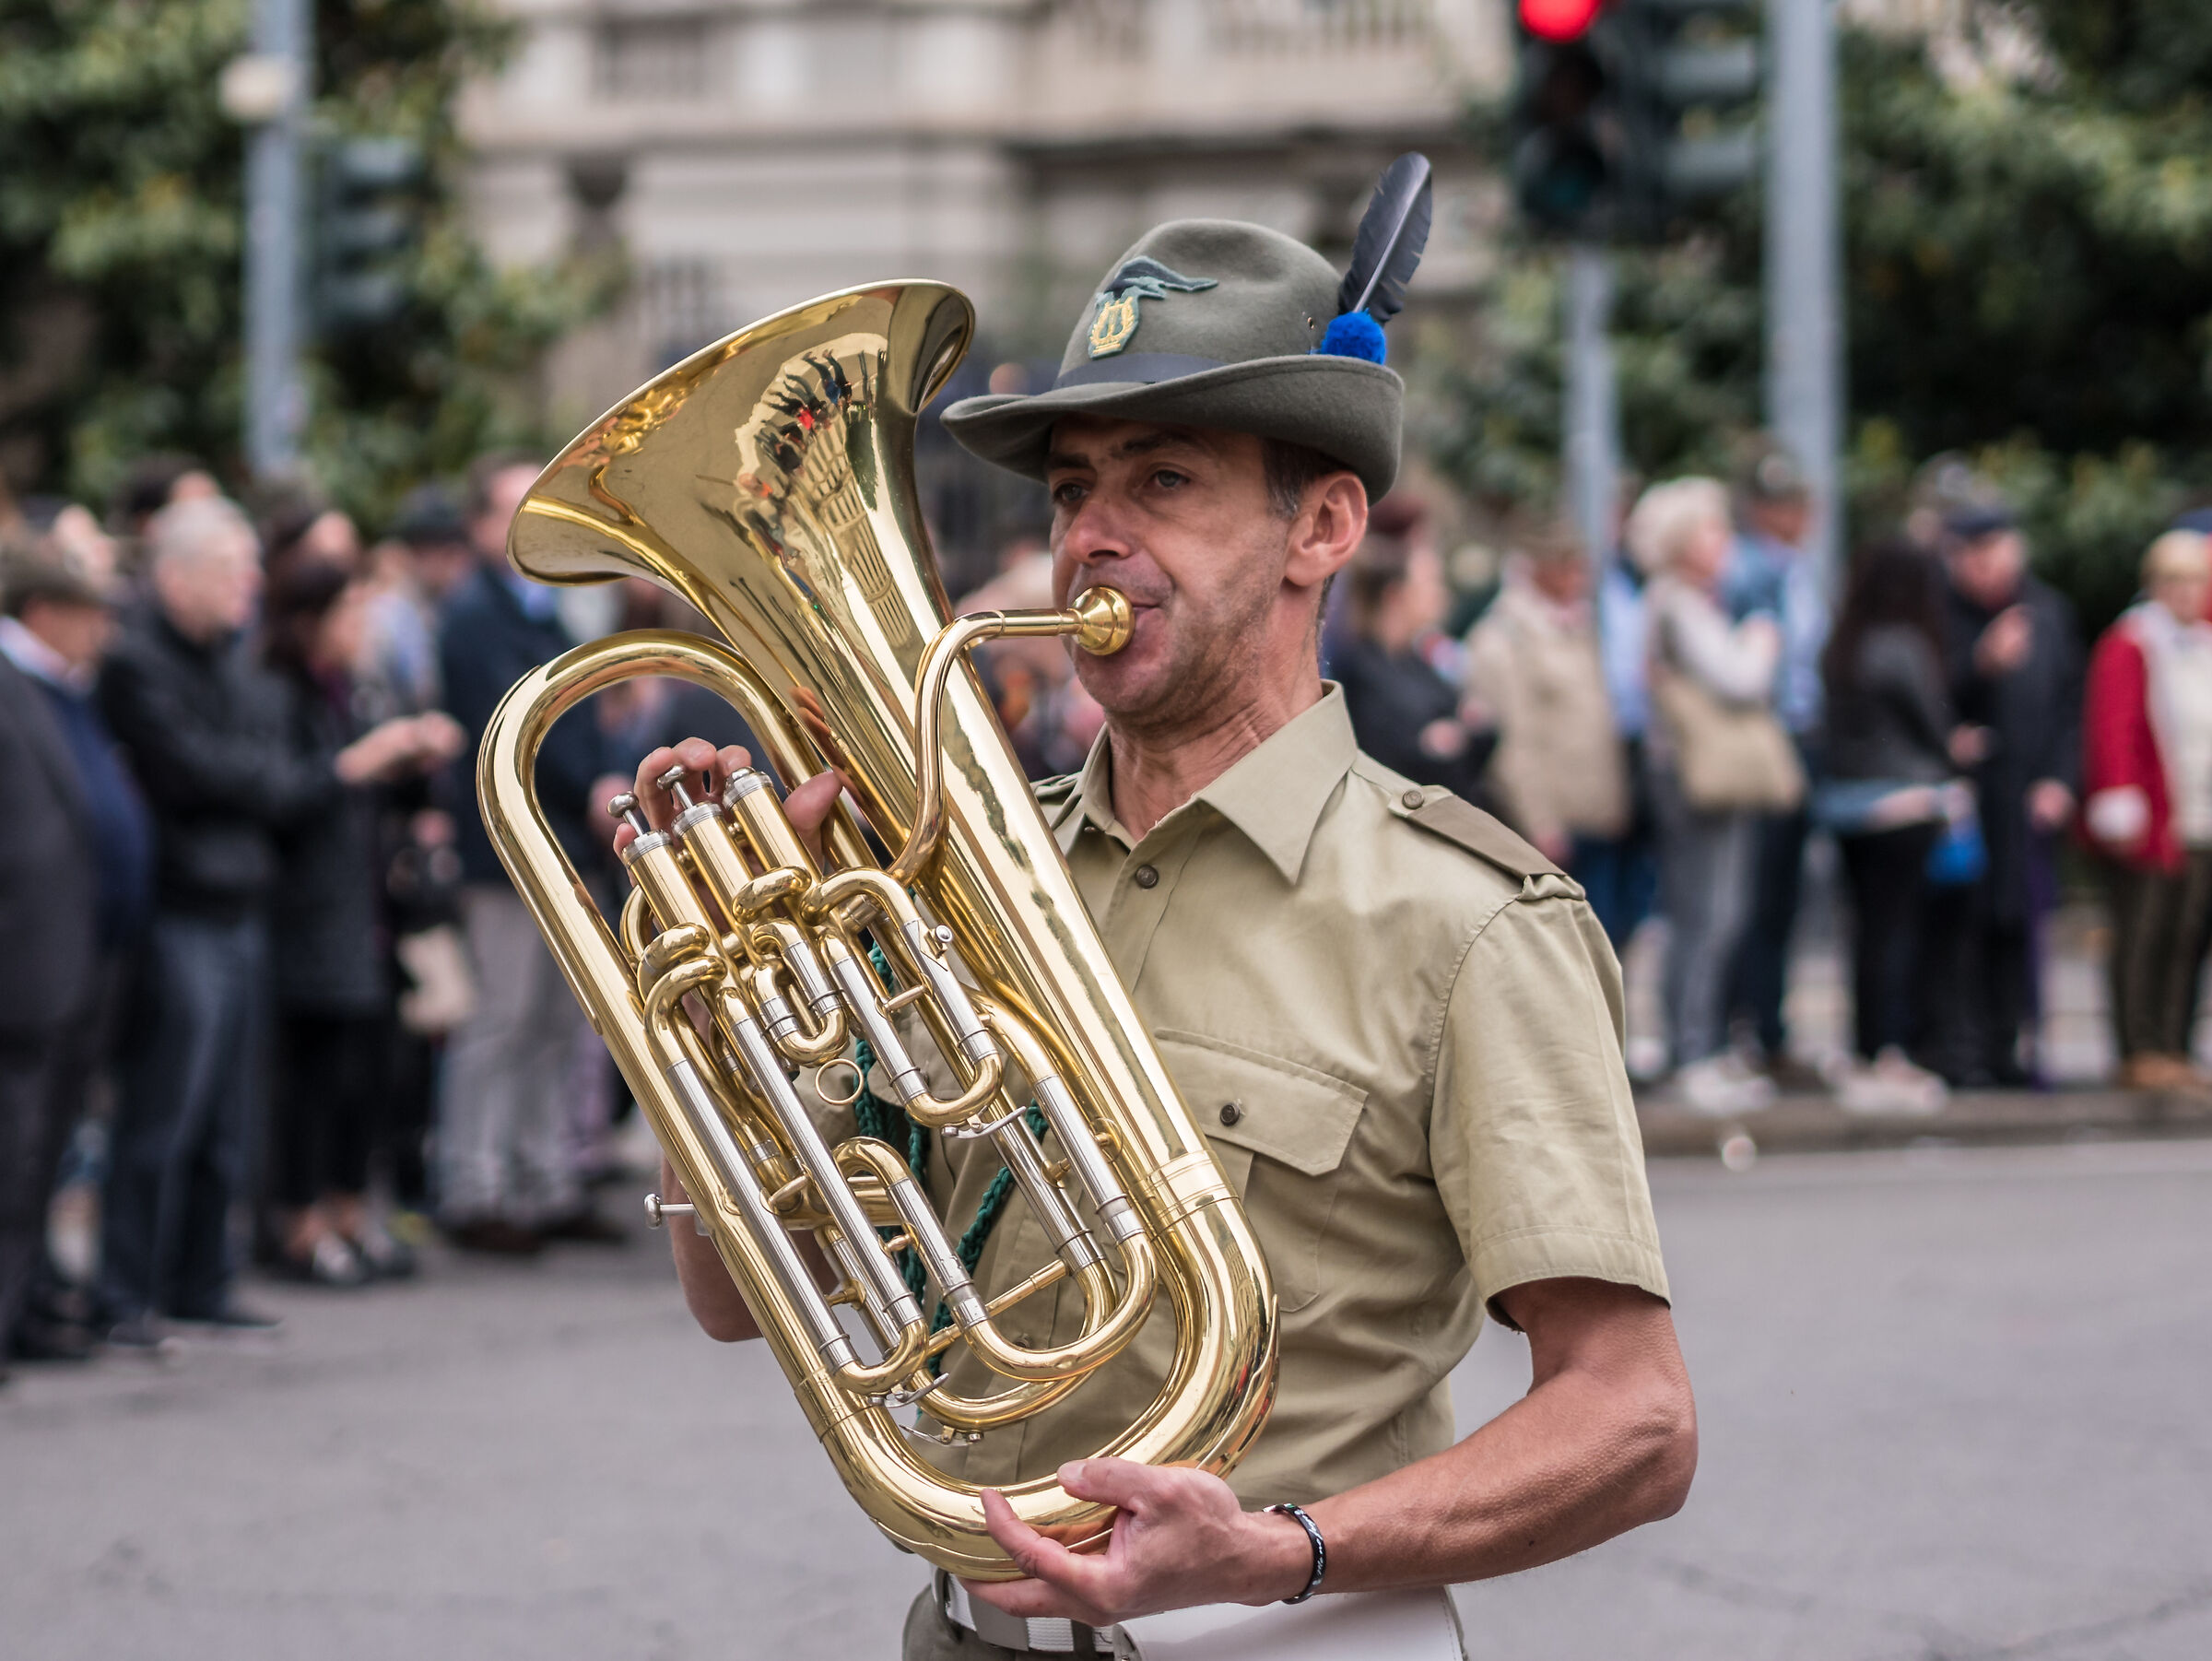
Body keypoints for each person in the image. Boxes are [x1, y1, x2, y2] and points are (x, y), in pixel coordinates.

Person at [633, 216, 1693, 1656]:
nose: (1092, 535)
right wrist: (716, 1021)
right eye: (1074, 489)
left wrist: (1280, 1552)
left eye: (1166, 481)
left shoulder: (1467, 919)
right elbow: (742, 1300)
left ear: (1322, 527)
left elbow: (1632, 1419)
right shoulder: (937, 879)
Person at [96, 498, 437, 1344]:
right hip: (186, 908)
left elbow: (259, 770)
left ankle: (200, 1282)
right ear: (174, 576)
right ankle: (126, 1293)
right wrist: (273, 777)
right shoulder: (138, 661)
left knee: (224, 1117)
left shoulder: (228, 661)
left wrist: (269, 776)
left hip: (242, 905)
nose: (250, 586)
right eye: (232, 572)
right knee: (164, 1112)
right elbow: (217, 774)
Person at [434, 452, 624, 1254]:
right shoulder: (473, 614)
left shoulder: (539, 604)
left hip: (562, 846)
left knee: (556, 1021)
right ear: (480, 527)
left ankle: (548, 1180)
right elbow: (516, 726)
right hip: (511, 853)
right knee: (502, 1022)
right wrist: (590, 780)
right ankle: (475, 1187)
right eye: (510, 510)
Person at [262, 560, 463, 1284]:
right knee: (310, 1085)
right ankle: (299, 1226)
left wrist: (412, 760)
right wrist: (360, 761)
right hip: (309, 915)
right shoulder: (281, 689)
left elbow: (386, 793)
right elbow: (277, 792)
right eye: (348, 614)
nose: (361, 629)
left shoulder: (355, 688)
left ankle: (349, 1214)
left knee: (364, 1079)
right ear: (311, 618)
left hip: (367, 910)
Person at [1922, 482, 2083, 1087]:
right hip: (1967, 800)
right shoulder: (1941, 614)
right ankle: (1963, 1052)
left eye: (1993, 552)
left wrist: (2060, 781)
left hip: (2027, 797)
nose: (1983, 567)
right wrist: (1979, 666)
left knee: (2021, 926)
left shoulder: (2048, 611)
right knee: (1965, 929)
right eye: (1971, 554)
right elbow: (1929, 698)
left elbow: (2072, 707)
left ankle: (2014, 1046)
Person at [1632, 477, 1783, 1116]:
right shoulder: (1676, 601)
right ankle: (1689, 1050)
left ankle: (1704, 1043)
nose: (1724, 542)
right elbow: (1739, 678)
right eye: (1711, 530)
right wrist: (1760, 642)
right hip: (1692, 775)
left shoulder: (1693, 599)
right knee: (1704, 913)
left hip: (1707, 772)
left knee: (1721, 910)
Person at [0, 546, 115, 1374]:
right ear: (43, 612)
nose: (100, 632)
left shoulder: (59, 688)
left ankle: (25, 1309)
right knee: (14, 1156)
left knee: (39, 1155)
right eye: (86, 613)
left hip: (69, 956)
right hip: (26, 962)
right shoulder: (17, 686)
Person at [1816, 542, 1960, 1114]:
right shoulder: (1904, 646)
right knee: (1897, 933)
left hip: (1848, 806)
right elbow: (1935, 725)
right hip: (1903, 802)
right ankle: (1888, 1050)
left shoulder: (1841, 645)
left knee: (1866, 934)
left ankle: (1863, 1046)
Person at [2079, 530, 2212, 1091]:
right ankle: (2139, 1046)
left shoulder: (2202, 643)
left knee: (2189, 935)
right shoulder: (2132, 642)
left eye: (2196, 582)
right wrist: (2119, 799)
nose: (2186, 593)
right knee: (2144, 930)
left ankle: (2176, 1044)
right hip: (2152, 813)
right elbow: (2113, 728)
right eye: (2176, 582)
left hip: (2200, 811)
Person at [1723, 442, 1829, 1079]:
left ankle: (1770, 1022)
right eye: (1778, 505)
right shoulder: (1747, 572)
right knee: (1756, 890)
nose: (1791, 517)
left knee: (1786, 892)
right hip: (1767, 736)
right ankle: (1750, 1021)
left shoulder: (1796, 570)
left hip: (1802, 733)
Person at [1462, 514, 1629, 873]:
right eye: (1570, 568)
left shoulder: (1576, 625)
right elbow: (1511, 739)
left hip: (1593, 818)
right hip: (1551, 827)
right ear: (1541, 569)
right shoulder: (1503, 636)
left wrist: (1612, 804)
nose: (1580, 580)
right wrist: (1541, 825)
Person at [1333, 526, 1496, 803]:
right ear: (1396, 595)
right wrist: (1432, 744)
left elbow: (1469, 729)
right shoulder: (1361, 670)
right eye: (1432, 583)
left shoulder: (1416, 659)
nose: (1442, 594)